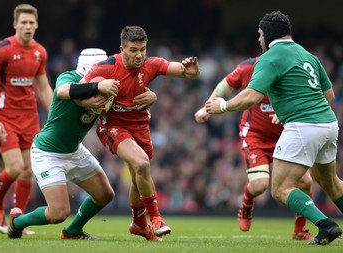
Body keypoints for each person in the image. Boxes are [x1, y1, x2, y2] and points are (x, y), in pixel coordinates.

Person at [205, 10, 343, 245]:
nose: (259, 40)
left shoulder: (270, 57)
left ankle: (326, 225)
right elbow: (329, 94)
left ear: (267, 35)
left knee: (280, 189)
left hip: (303, 126)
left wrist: (224, 105)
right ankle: (322, 225)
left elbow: (250, 96)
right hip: (328, 124)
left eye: (260, 35)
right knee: (331, 183)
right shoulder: (309, 55)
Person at [7, 48, 158, 239]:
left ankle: (73, 231)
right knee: (58, 213)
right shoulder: (69, 77)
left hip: (74, 151)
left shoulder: (109, 82)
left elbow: (129, 96)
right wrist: (96, 88)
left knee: (105, 195)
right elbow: (61, 91)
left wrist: (151, 96)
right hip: (48, 152)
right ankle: (17, 221)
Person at [81, 26, 200, 241]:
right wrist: (94, 99)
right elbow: (79, 89)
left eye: (142, 49)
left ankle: (138, 223)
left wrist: (190, 72)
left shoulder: (150, 64)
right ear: (122, 49)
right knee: (142, 165)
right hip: (113, 127)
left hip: (140, 126)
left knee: (139, 176)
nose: (139, 55)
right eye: (133, 50)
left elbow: (180, 69)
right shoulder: (106, 68)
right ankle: (156, 218)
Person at [195, 57, 314, 240]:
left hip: (286, 134)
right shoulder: (249, 67)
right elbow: (225, 85)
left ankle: (299, 230)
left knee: (305, 182)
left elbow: (310, 97)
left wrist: (289, 113)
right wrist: (207, 108)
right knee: (260, 185)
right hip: (256, 135)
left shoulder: (293, 67)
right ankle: (248, 199)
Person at [0, 3, 53, 235]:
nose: (28, 26)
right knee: (15, 167)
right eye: (24, 22)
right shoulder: (1, 50)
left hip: (29, 118)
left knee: (28, 171)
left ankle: (16, 221)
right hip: (5, 118)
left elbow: (43, 87)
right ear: (15, 24)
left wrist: (55, 116)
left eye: (32, 23)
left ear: (37, 24)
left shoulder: (40, 52)